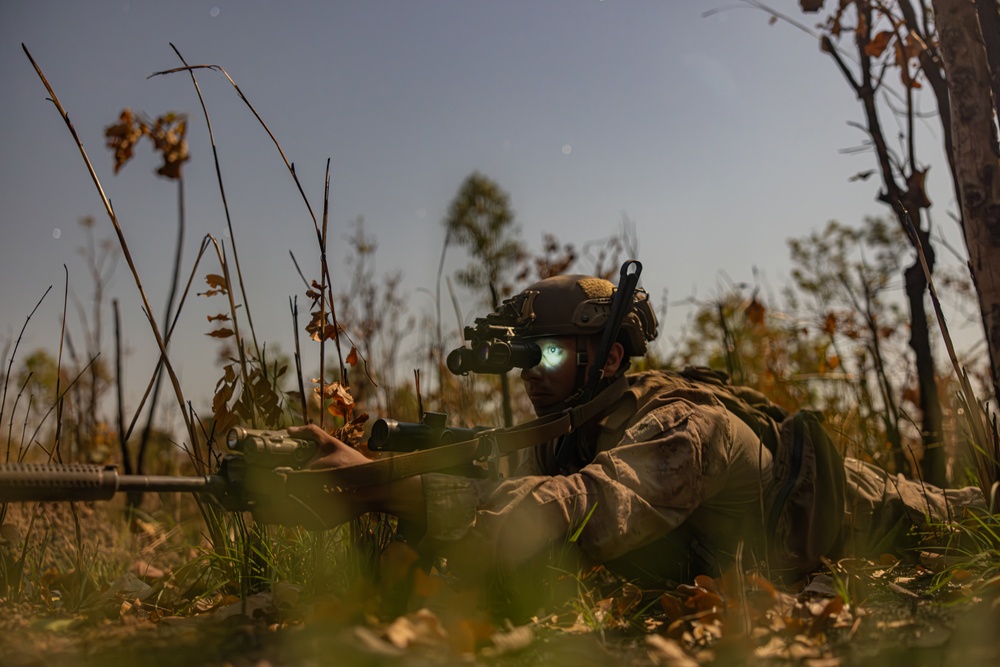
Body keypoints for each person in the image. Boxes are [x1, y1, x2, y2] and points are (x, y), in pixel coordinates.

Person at [286, 273, 990, 599]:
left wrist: (369, 486)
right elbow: (501, 492)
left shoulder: (682, 429)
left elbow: (578, 508)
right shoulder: (567, 433)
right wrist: (367, 472)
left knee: (974, 513)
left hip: (865, 510)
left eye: (553, 356)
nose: (535, 375)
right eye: (528, 358)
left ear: (610, 359)